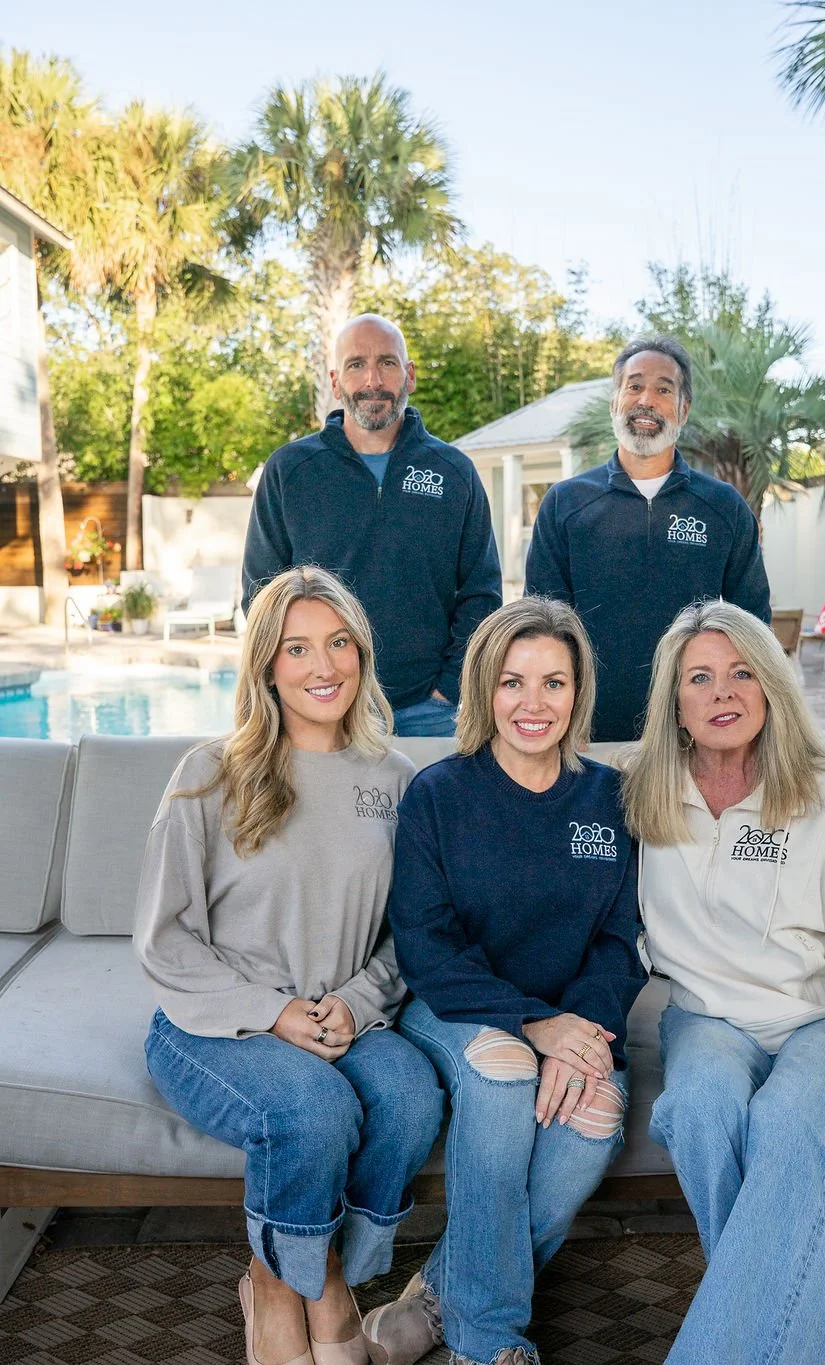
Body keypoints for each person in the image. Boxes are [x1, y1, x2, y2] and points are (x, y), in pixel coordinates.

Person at [135, 565, 444, 1365]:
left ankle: (314, 1265)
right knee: (313, 1109)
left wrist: (358, 1000)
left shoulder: (396, 780)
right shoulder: (210, 771)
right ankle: (294, 1283)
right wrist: (270, 1012)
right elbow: (165, 937)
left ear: (362, 653)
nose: (323, 666)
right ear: (267, 665)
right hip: (218, 1020)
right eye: (297, 648)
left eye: (339, 642)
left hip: (342, 1014)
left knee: (411, 1096)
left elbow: (411, 932)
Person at [621, 599, 825, 1365]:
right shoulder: (639, 793)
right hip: (702, 1016)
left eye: (741, 672)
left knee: (792, 1129)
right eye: (699, 677)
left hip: (815, 1018)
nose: (722, 691)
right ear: (675, 703)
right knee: (699, 1107)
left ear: (771, 686)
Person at [364, 597, 647, 1365]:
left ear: (578, 691)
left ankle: (437, 1295)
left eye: (554, 682)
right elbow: (427, 946)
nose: (533, 703)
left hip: (570, 1014)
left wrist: (577, 1030)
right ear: (484, 687)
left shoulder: (609, 798)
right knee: (503, 1071)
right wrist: (532, 1023)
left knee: (594, 1115)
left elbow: (621, 940)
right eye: (513, 681)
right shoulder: (439, 793)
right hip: (457, 1007)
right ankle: (487, 1340)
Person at [242, 314, 503, 737]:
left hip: (429, 712)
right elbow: (261, 595)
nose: (373, 380)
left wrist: (450, 688)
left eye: (387, 363)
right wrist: (300, 683)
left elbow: (482, 593)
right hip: (322, 704)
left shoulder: (453, 472)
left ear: (409, 375)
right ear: (335, 381)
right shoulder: (290, 471)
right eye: (356, 365)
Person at [524, 335, 771, 742]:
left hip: (692, 733)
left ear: (684, 409)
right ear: (614, 402)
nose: (646, 400)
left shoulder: (723, 507)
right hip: (586, 733)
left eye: (663, 389)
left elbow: (753, 624)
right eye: (634, 386)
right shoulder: (565, 503)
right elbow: (541, 626)